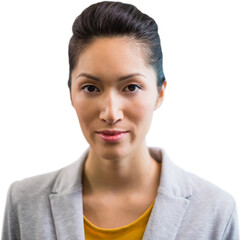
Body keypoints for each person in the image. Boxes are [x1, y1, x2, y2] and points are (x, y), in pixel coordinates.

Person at [2, 1, 239, 240]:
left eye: (131, 87)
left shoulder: (216, 212)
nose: (111, 113)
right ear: (71, 93)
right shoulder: (24, 203)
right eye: (91, 88)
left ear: (160, 93)